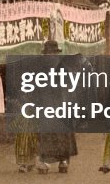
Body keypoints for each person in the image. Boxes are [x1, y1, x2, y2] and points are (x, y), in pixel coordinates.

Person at [34, 40, 79, 173]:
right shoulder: (40, 70)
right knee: (47, 135)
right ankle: (45, 161)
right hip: (46, 106)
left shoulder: (64, 68)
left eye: (53, 53)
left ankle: (63, 161)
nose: (51, 56)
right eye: (49, 53)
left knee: (63, 135)